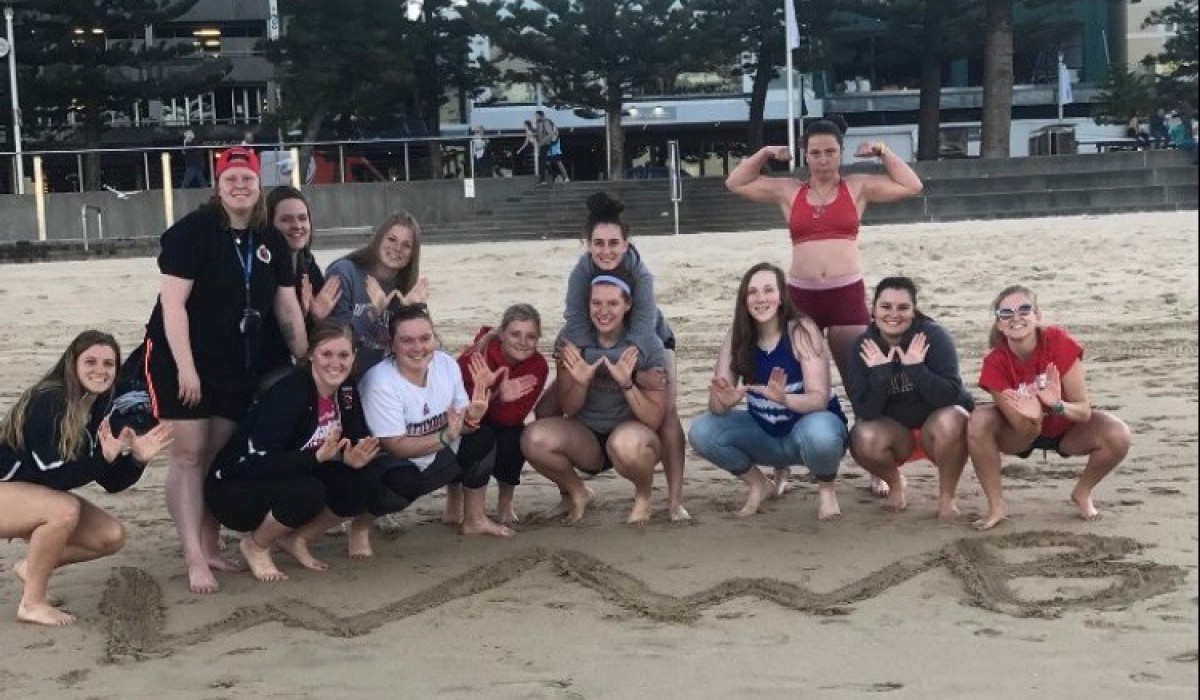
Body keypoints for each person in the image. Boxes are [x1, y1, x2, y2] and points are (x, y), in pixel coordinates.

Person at [137, 146, 309, 594]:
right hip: (180, 359)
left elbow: (287, 306)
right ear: (218, 185)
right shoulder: (193, 232)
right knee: (189, 454)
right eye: (231, 178)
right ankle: (194, 555)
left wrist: (306, 359)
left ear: (258, 186)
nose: (239, 185)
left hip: (236, 363)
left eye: (247, 178)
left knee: (216, 454)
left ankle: (211, 544)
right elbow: (172, 306)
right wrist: (186, 370)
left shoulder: (269, 240)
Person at [724, 118, 923, 497]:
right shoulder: (788, 190)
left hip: (846, 292)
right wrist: (766, 153)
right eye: (814, 152)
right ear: (805, 154)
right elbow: (736, 182)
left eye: (830, 151)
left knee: (858, 379)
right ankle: (781, 464)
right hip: (801, 297)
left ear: (840, 152)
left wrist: (882, 151)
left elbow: (912, 185)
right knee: (789, 376)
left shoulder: (857, 186)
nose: (822, 159)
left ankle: (875, 464)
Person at [1, 331, 172, 626]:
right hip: (9, 490)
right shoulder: (49, 398)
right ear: (72, 363)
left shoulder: (101, 408)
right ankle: (32, 603)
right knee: (63, 509)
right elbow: (52, 475)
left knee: (109, 536)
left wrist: (137, 459)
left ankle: (33, 568)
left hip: (29, 496)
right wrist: (101, 458)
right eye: (90, 361)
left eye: (109, 364)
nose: (100, 370)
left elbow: (111, 482)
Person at [542, 192, 688, 520]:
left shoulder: (641, 276)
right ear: (588, 244)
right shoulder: (582, 271)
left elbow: (642, 332)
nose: (605, 251)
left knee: (667, 413)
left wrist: (631, 374)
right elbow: (576, 322)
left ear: (626, 244)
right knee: (547, 408)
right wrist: (584, 360)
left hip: (650, 341)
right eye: (598, 243)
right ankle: (569, 492)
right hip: (596, 340)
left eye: (613, 243)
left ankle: (675, 499)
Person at [205, 321, 385, 582]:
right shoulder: (289, 394)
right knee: (308, 491)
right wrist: (315, 458)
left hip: (296, 472)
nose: (336, 363)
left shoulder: (346, 390)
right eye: (327, 354)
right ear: (311, 354)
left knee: (366, 480)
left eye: (344, 355)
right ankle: (256, 545)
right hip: (236, 487)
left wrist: (353, 456)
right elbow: (258, 463)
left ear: (354, 356)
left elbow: (354, 436)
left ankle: (297, 538)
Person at [688, 263, 848, 520]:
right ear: (744, 299)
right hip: (767, 435)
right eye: (752, 292)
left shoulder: (801, 329)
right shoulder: (737, 337)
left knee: (821, 435)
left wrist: (784, 398)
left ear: (782, 296)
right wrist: (725, 401)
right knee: (702, 430)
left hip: (807, 431)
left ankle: (827, 490)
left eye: (768, 290)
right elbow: (716, 406)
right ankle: (758, 484)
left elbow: (819, 399)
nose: (761, 298)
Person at [966, 285, 1131, 530]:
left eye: (1024, 309)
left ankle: (1082, 493)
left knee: (1119, 435)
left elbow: (1083, 410)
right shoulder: (995, 362)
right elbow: (1020, 431)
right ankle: (996, 506)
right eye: (1006, 314)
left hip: (1067, 428)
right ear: (999, 324)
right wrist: (1033, 418)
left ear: (1037, 316)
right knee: (978, 420)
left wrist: (1056, 406)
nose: (1016, 318)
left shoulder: (1057, 341)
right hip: (1020, 434)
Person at [522, 277, 670, 524]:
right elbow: (568, 407)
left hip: (631, 434)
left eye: (612, 303)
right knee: (532, 438)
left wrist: (627, 383)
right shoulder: (571, 338)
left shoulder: (646, 343)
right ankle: (578, 492)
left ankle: (643, 497)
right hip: (586, 436)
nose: (603, 311)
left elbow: (654, 419)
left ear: (627, 305)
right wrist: (581, 381)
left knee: (625, 444)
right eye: (596, 303)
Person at [358, 304, 513, 539]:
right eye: (407, 340)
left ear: (434, 337)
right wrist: (445, 437)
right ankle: (361, 524)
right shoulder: (380, 382)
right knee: (405, 483)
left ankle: (474, 519)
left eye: (425, 338)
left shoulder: (445, 365)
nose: (418, 348)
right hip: (387, 463)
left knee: (484, 437)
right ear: (392, 344)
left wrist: (471, 420)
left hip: (435, 451)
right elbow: (394, 446)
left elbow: (460, 424)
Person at [844, 277, 974, 515]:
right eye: (886, 307)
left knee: (954, 418)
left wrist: (916, 370)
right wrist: (881, 374)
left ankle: (946, 498)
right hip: (895, 436)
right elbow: (865, 411)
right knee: (862, 435)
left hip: (935, 433)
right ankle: (895, 485)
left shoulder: (933, 337)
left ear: (914, 311)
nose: (894, 314)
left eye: (903, 307)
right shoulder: (862, 346)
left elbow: (951, 396)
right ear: (873, 310)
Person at [452, 304, 549, 524]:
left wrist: (503, 400)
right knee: (476, 437)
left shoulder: (538, 366)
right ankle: (453, 499)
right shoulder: (477, 355)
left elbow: (511, 419)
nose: (523, 342)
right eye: (515, 334)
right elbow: (453, 406)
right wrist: (494, 393)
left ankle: (505, 504)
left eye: (531, 336)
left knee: (514, 437)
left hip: (502, 421)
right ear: (503, 334)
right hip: (467, 422)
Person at [325, 212, 429, 377]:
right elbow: (336, 342)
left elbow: (418, 348)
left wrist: (409, 311)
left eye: (406, 245)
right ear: (379, 239)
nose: (397, 248)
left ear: (412, 254)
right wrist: (372, 313)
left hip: (384, 382)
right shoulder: (345, 272)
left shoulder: (406, 287)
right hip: (346, 378)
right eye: (392, 239)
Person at [258, 186, 343, 379]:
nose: (297, 225)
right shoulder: (261, 268)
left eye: (302, 218)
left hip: (298, 362)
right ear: (269, 224)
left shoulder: (307, 263)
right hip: (266, 369)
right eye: (286, 220)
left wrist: (316, 318)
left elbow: (321, 331)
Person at [534, 110, 569, 184]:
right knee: (544, 161)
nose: (535, 117)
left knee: (551, 160)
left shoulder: (546, 122)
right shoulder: (540, 122)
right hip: (547, 144)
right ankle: (546, 178)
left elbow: (550, 133)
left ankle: (558, 176)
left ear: (540, 115)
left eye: (536, 115)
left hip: (550, 144)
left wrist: (542, 142)